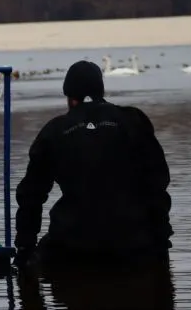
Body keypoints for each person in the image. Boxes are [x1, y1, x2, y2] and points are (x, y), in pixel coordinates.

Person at [14, 60, 173, 271]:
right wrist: (161, 239)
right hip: (134, 241)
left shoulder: (54, 131)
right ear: (101, 89)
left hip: (72, 243)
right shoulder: (132, 121)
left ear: (69, 96)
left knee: (34, 273)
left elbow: (31, 195)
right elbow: (157, 183)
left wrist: (25, 248)